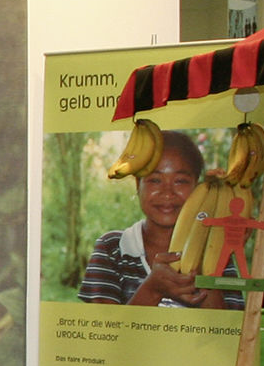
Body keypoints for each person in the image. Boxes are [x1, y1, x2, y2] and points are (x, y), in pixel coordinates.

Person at [77, 130, 240, 309]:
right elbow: (101, 332)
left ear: (197, 187)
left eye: (180, 181)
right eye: (155, 180)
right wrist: (152, 289)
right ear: (138, 185)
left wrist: (205, 272)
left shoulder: (215, 250)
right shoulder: (111, 248)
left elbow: (227, 332)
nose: (167, 192)